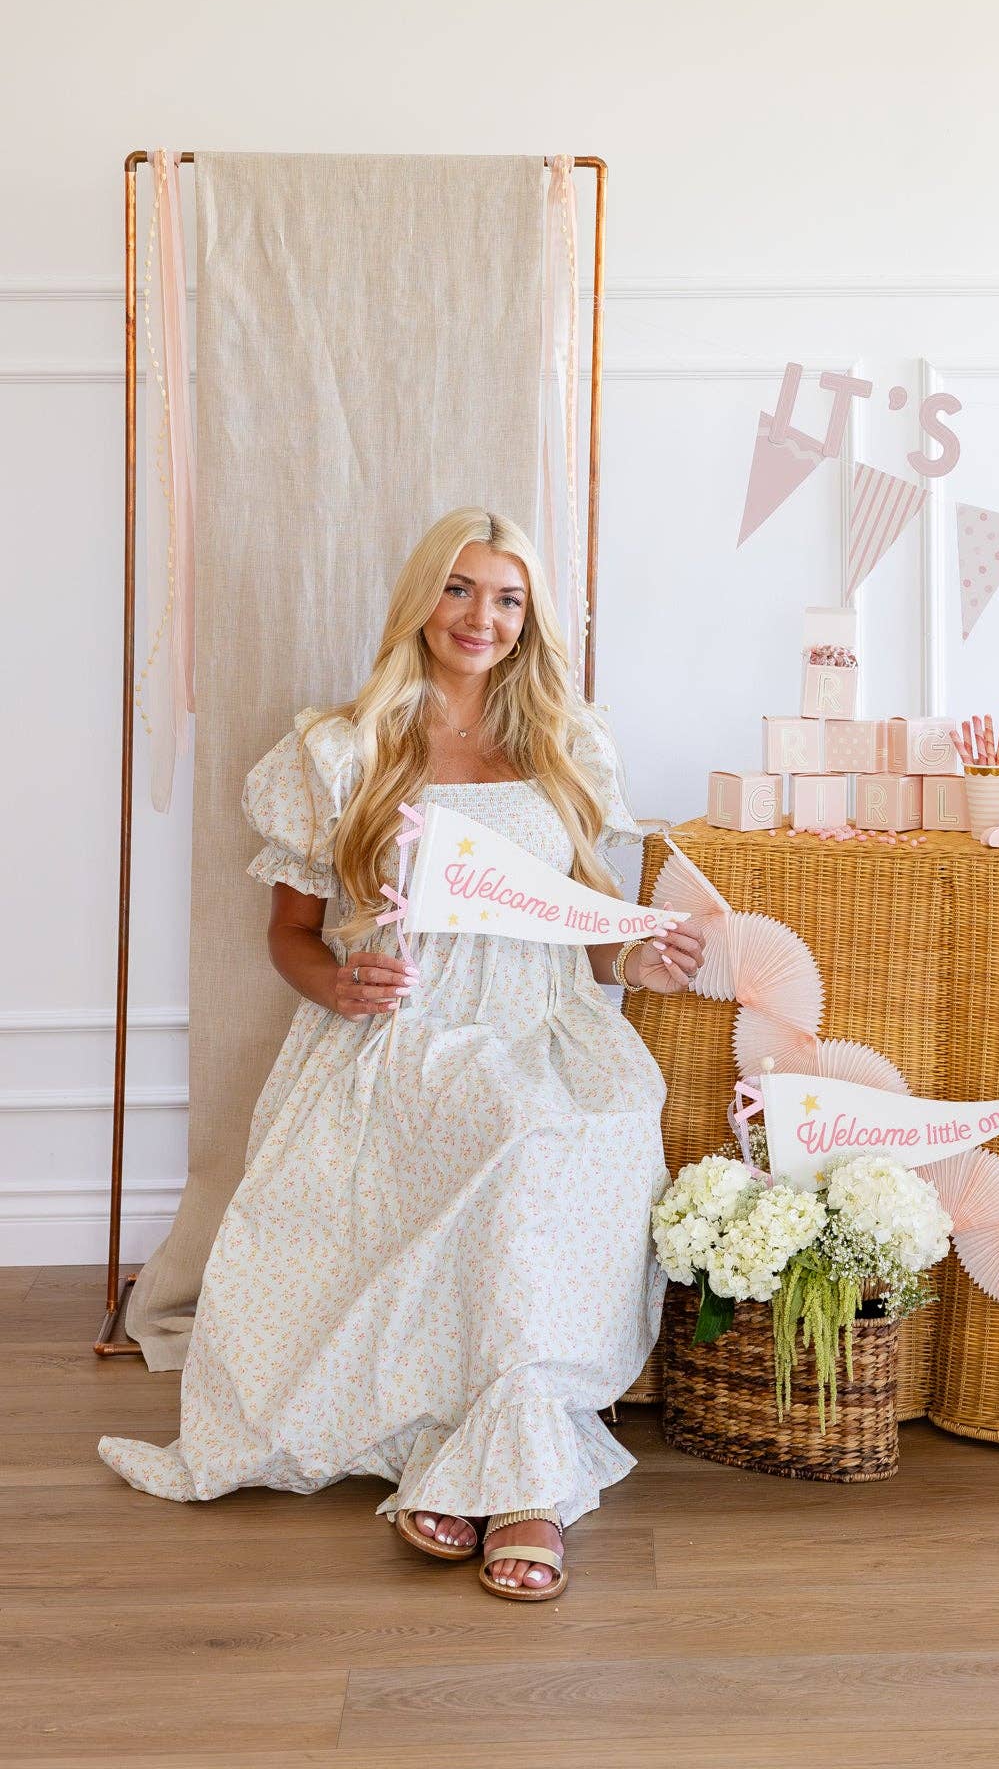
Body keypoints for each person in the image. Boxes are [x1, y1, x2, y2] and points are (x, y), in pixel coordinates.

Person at [101, 508, 703, 1602]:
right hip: (406, 1028)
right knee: (505, 1135)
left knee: (569, 1138)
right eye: (461, 589)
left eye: (508, 597)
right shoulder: (340, 750)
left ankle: (489, 1472)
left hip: (544, 1023)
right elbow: (287, 931)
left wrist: (645, 963)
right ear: (422, 598)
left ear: (532, 619)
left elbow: (591, 930)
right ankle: (508, 1481)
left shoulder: (565, 744)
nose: (482, 616)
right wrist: (337, 979)